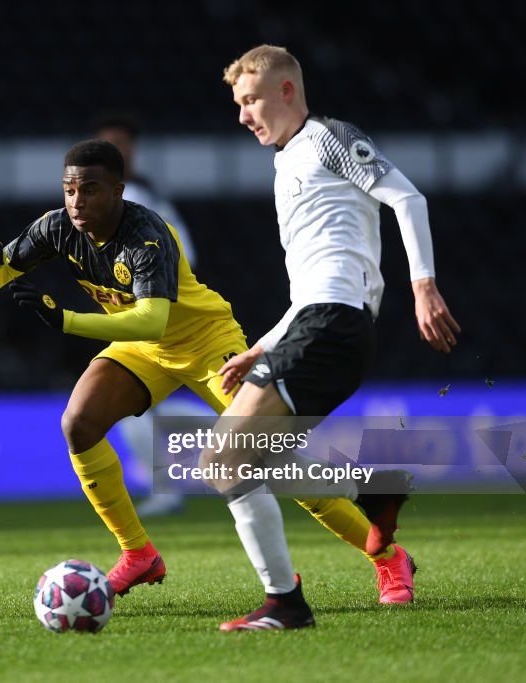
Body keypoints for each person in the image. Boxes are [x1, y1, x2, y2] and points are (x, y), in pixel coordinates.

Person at [0, 140, 410, 603]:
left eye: (90, 190)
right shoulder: (57, 228)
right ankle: (138, 554)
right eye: (69, 190)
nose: (77, 202)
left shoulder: (146, 234)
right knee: (78, 424)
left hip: (207, 344)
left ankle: (388, 558)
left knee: (268, 459)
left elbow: (152, 318)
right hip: (144, 350)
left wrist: (67, 319)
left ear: (118, 191)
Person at [202, 44, 461, 631]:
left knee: (224, 461)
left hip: (332, 326)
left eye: (250, 100)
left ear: (286, 91)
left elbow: (407, 196)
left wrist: (423, 285)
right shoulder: (286, 163)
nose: (243, 115)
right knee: (245, 463)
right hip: (318, 325)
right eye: (238, 103)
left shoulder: (326, 138)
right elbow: (309, 288)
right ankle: (371, 493)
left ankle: (286, 604)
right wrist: (261, 347)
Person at [93, 111, 213, 518]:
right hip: (159, 307)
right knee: (147, 408)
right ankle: (242, 434)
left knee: (124, 406)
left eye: (122, 145)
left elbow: (179, 252)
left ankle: (167, 490)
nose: (117, 152)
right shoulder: (141, 191)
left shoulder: (134, 196)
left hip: (157, 309)